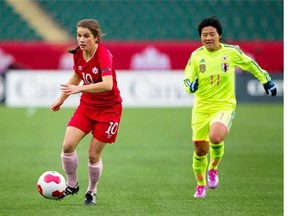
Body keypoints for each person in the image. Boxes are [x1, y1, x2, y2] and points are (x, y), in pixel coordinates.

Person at [183, 17, 277, 198]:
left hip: (224, 105)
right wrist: (190, 86)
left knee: (216, 137)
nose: (208, 38)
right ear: (200, 37)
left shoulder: (231, 52)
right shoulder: (196, 56)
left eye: (212, 34)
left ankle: (213, 168)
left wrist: (266, 80)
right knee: (200, 150)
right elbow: (187, 77)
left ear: (219, 35)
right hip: (202, 108)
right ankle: (200, 184)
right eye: (204, 35)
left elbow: (250, 64)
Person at [50, 19, 123, 205]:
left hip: (108, 110)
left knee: (93, 155)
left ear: (96, 38)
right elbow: (76, 77)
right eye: (79, 35)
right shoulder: (78, 54)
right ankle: (72, 185)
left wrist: (80, 89)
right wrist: (60, 100)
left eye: (86, 36)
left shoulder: (104, 55)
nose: (81, 40)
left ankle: (92, 191)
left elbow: (108, 85)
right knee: (67, 146)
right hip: (87, 107)